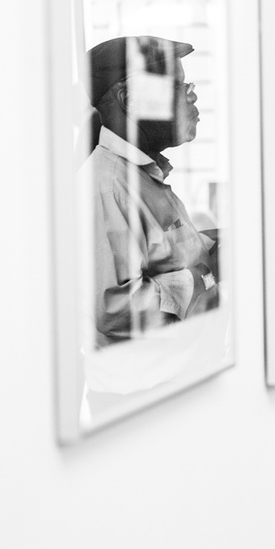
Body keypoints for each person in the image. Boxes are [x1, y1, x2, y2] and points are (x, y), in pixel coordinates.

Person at [80, 35, 219, 347]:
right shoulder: (106, 185)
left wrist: (219, 247)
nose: (191, 96)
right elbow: (113, 308)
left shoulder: (143, 177)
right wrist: (205, 277)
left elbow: (162, 258)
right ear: (129, 98)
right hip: (144, 393)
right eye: (176, 86)